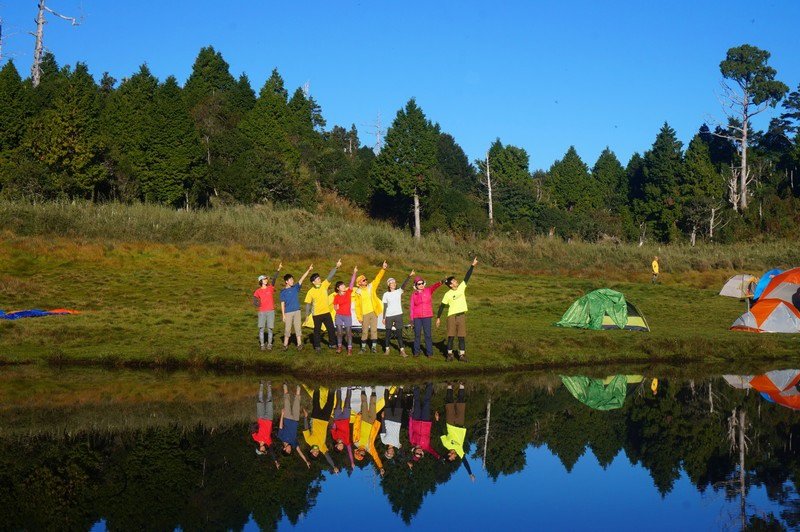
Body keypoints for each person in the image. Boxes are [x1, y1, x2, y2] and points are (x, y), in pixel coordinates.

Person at [436, 257, 478, 362]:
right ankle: (449, 354)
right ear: (451, 285)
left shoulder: (461, 288)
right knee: (450, 336)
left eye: (455, 280)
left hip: (461, 315)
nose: (456, 281)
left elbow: (467, 277)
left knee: (461, 336)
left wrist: (472, 265)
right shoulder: (447, 294)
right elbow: (442, 306)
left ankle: (462, 355)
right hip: (451, 316)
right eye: (454, 281)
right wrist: (438, 318)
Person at [436, 382, 475, 482]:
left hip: (450, 422)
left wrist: (437, 420)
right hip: (460, 424)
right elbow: (465, 462)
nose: (454, 458)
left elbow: (440, 432)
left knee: (449, 404)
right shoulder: (459, 451)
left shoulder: (446, 444)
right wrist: (470, 474)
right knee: (460, 404)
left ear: (449, 455)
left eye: (452, 458)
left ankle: (449, 386)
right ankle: (462, 385)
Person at [304, 259, 342, 352]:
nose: (319, 279)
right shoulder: (310, 292)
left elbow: (330, 276)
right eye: (317, 279)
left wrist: (336, 267)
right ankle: (317, 346)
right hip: (316, 315)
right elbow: (308, 304)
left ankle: (332, 344)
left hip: (326, 313)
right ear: (313, 282)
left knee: (331, 329)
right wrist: (306, 316)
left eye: (319, 278)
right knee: (317, 331)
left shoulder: (324, 285)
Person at [302, 387, 339, 474]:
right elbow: (327, 457)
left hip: (315, 417)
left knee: (316, 401)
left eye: (314, 453)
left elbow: (306, 428)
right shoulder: (322, 447)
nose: (317, 453)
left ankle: (316, 386)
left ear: (311, 451)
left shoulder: (309, 441)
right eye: (317, 454)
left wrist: (305, 417)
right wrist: (334, 466)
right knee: (330, 403)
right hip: (325, 419)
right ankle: (332, 387)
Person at [354, 261, 388, 353]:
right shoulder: (358, 292)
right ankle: (363, 348)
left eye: (366, 279)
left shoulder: (371, 287)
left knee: (374, 330)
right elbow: (357, 306)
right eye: (363, 280)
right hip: (364, 314)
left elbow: (378, 279)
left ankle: (373, 347)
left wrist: (383, 269)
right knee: (364, 331)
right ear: (359, 283)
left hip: (373, 312)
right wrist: (359, 317)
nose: (366, 281)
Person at [409, 274, 445, 357]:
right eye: (419, 284)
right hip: (417, 317)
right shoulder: (413, 295)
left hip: (427, 316)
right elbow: (411, 307)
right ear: (415, 286)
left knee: (427, 335)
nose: (421, 285)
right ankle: (416, 352)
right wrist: (411, 319)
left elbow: (435, 286)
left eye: (422, 283)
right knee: (417, 334)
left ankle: (429, 353)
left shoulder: (428, 290)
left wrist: (441, 282)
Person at [352, 388, 385, 476]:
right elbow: (376, 457)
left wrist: (358, 417)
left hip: (364, 420)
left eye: (361, 455)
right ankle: (373, 389)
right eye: (363, 456)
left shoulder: (356, 442)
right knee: (373, 405)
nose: (363, 455)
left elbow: (355, 428)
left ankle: (363, 389)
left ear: (357, 453)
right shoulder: (369, 448)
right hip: (372, 422)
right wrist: (381, 467)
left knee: (364, 404)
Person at [280, 264, 313, 351]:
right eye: (290, 279)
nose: (292, 281)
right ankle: (285, 345)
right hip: (288, 312)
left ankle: (299, 344)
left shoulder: (295, 288)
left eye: (292, 279)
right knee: (287, 329)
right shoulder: (283, 292)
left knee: (298, 328)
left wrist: (308, 270)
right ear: (286, 281)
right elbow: (282, 304)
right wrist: (283, 315)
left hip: (297, 311)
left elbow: (302, 279)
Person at [278, 383, 311, 467]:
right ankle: (298, 385)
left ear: (284, 449)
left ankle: (285, 384)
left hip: (287, 417)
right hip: (295, 419)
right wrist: (306, 461)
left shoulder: (281, 437)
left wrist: (282, 414)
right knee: (297, 401)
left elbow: (281, 426)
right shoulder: (293, 443)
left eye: (288, 451)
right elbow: (300, 452)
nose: (290, 450)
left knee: (287, 400)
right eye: (290, 451)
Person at [382, 270, 414, 357]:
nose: (393, 284)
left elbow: (404, 285)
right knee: (388, 333)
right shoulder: (385, 294)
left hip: (398, 315)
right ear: (388, 284)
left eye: (394, 282)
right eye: (391, 282)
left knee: (399, 333)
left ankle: (402, 350)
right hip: (389, 316)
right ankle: (387, 349)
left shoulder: (399, 291)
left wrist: (409, 276)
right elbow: (384, 307)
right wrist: (383, 318)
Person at [253, 262, 282, 350]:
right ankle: (262, 345)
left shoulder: (270, 288)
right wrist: (259, 304)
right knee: (261, 329)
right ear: (261, 281)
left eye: (266, 279)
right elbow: (254, 300)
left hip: (271, 311)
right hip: (262, 312)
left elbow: (274, 280)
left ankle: (269, 344)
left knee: (270, 329)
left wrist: (278, 269)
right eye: (264, 279)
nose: (266, 280)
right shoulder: (258, 291)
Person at [251, 380, 279, 469]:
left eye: (261, 450)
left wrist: (256, 426)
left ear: (259, 448)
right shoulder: (268, 441)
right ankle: (269, 385)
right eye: (263, 451)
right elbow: (271, 451)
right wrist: (276, 461)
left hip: (261, 417)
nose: (263, 450)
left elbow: (252, 428)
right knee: (269, 400)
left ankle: (262, 385)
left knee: (260, 400)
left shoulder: (255, 438)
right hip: (269, 419)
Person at [408, 383, 440, 462]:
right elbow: (433, 452)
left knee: (417, 402)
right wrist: (439, 457)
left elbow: (410, 429)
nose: (418, 453)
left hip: (416, 420)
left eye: (416, 453)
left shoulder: (412, 441)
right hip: (426, 422)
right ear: (422, 453)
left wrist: (411, 418)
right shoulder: (426, 447)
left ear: (414, 451)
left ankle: (416, 384)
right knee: (427, 402)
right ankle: (429, 384)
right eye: (420, 454)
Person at [333, 266, 358, 355]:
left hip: (347, 316)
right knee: (339, 332)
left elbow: (352, 283)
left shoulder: (348, 292)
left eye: (344, 285)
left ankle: (349, 348)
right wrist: (336, 307)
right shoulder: (336, 296)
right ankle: (339, 347)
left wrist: (354, 272)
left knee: (348, 332)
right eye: (342, 286)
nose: (344, 286)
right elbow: (335, 306)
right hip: (339, 316)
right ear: (338, 288)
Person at [330, 387, 355, 470]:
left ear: (336, 446)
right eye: (341, 449)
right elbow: (350, 452)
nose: (341, 447)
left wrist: (334, 420)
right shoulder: (347, 442)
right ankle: (349, 388)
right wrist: (352, 462)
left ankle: (339, 388)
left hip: (337, 418)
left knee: (339, 401)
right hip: (346, 418)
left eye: (339, 448)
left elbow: (333, 427)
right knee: (348, 401)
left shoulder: (334, 437)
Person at [381, 387, 404, 460]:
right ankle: (401, 387)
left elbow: (383, 429)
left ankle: (386, 388)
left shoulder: (384, 441)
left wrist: (382, 418)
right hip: (397, 421)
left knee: (387, 402)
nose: (391, 452)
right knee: (398, 402)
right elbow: (404, 454)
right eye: (392, 454)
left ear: (386, 451)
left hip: (388, 420)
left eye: (389, 453)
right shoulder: (397, 445)